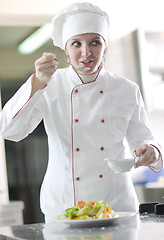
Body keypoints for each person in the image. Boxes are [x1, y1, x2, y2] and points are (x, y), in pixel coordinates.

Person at [0, 2, 163, 223]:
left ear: (105, 46)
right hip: (64, 206)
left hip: (117, 206)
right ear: (65, 49)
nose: (86, 53)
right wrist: (37, 83)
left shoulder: (126, 89)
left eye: (95, 42)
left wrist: (152, 151)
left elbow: (144, 139)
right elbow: (10, 130)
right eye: (76, 44)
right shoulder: (49, 84)